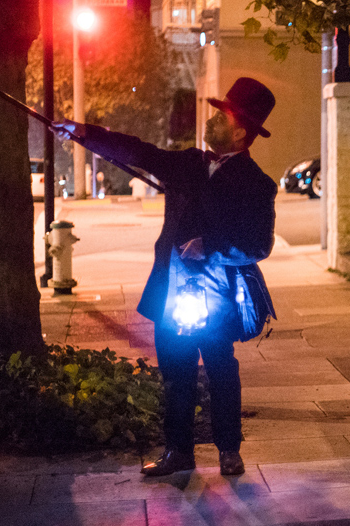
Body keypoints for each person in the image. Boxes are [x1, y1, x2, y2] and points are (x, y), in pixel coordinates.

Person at [55, 77, 278, 477]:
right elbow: (140, 151)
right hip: (173, 290)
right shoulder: (189, 164)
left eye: (220, 117)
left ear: (240, 131)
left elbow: (259, 246)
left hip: (219, 295)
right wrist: (84, 133)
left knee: (221, 370)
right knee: (175, 374)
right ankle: (178, 452)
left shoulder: (257, 184)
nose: (210, 122)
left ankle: (229, 449)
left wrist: (211, 246)